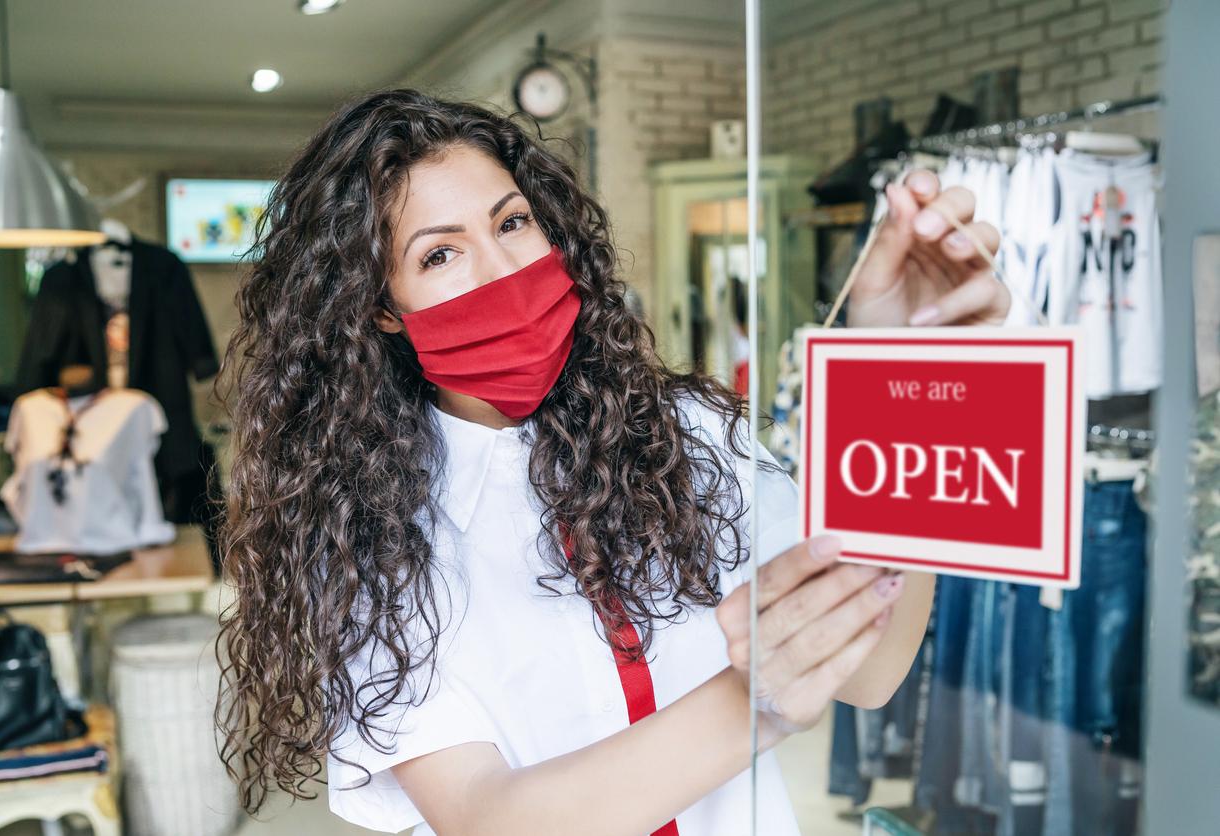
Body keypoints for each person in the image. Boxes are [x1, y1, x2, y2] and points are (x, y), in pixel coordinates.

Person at [214, 88, 1008, 836]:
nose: (504, 271)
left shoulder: (686, 434)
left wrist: (903, 373)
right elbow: (493, 818)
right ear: (379, 307)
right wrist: (759, 702)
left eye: (513, 222)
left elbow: (873, 673)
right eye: (440, 257)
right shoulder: (366, 541)